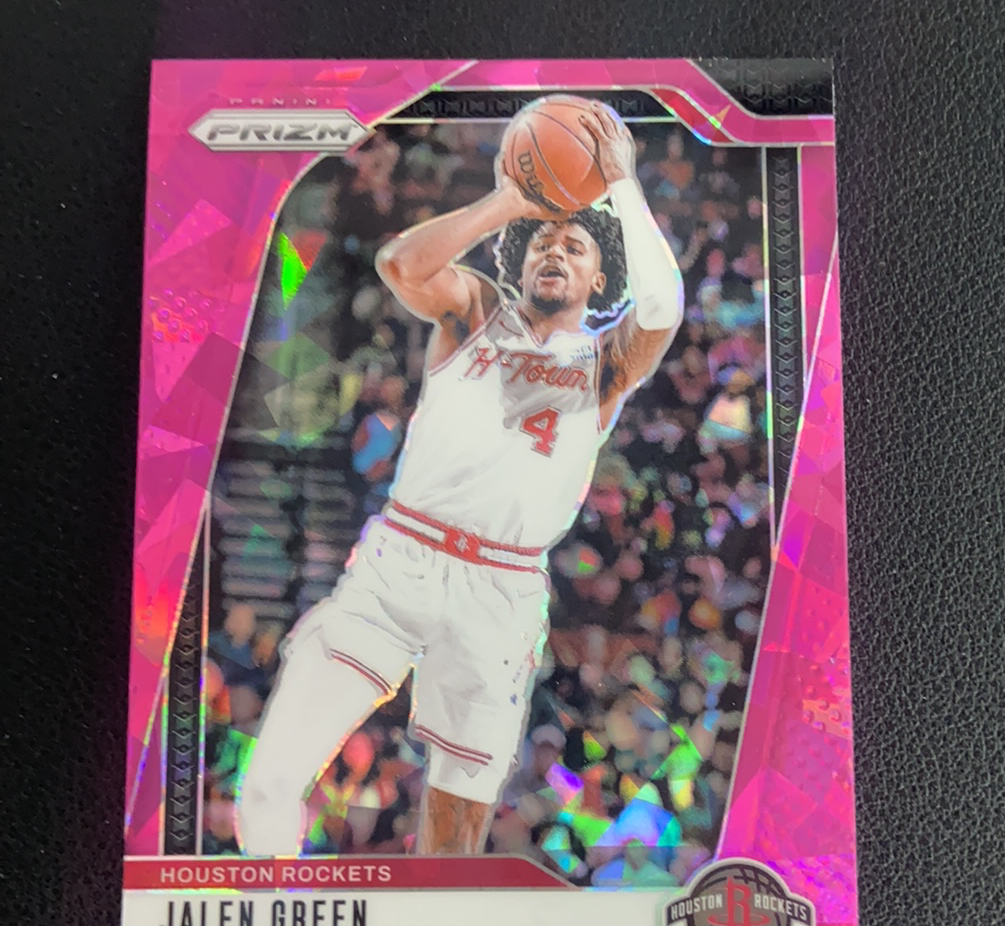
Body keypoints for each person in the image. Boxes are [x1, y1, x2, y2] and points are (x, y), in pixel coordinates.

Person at [236, 101, 683, 858]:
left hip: (502, 593)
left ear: (599, 275)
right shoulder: (477, 310)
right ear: (520, 262)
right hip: (400, 561)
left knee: (452, 838)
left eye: (574, 246)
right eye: (543, 242)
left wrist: (621, 184)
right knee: (271, 780)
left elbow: (664, 304)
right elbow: (399, 265)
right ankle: (271, 915)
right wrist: (510, 200)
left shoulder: (606, 363)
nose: (555, 250)